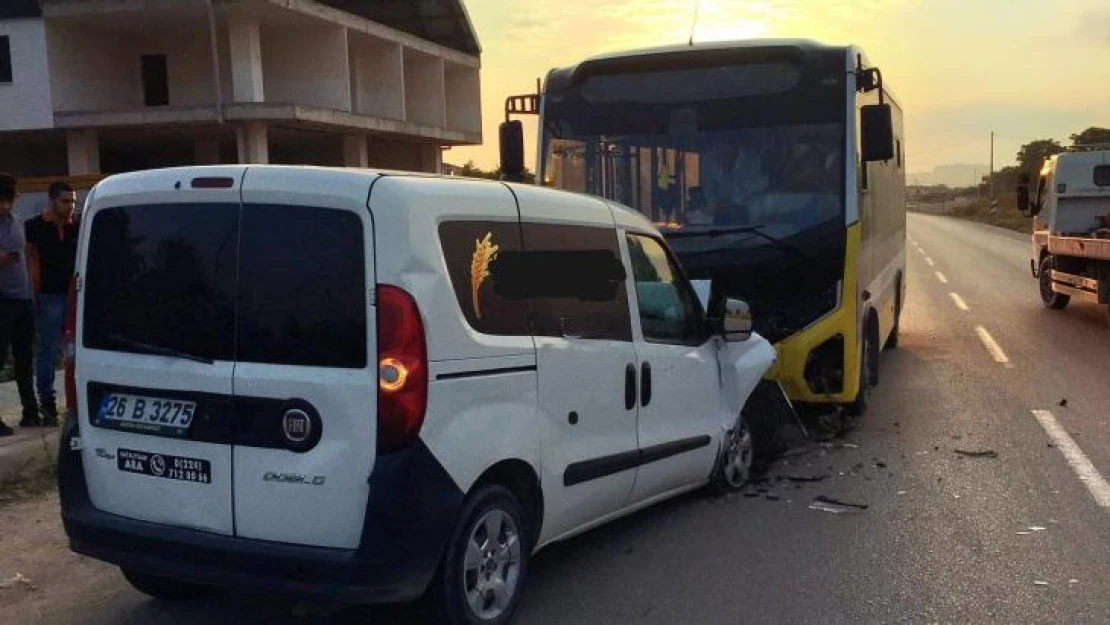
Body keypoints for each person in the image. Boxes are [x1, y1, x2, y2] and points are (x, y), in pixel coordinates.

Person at [25, 182, 79, 426]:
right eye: (65, 201)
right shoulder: (35, 227)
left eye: (73, 202)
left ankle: (77, 401)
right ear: (52, 201)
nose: (70, 207)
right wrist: (34, 293)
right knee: (48, 352)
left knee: (75, 352)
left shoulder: (76, 226)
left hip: (74, 296)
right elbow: (31, 261)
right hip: (49, 296)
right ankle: (47, 404)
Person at [0, 173, 38, 436]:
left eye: (10, 198)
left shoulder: (17, 221)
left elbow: (26, 255)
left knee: (25, 358)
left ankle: (31, 412)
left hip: (23, 298)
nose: (6, 205)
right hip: (2, 299)